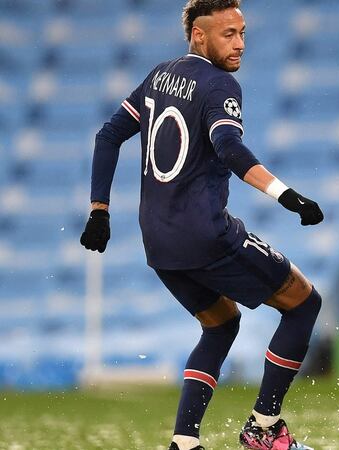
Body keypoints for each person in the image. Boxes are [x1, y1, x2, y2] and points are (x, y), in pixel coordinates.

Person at [79, 1, 322, 449]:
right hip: (208, 235)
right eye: (228, 34)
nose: (240, 44)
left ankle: (184, 442)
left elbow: (108, 135)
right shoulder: (219, 84)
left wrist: (99, 209)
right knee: (304, 303)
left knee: (221, 324)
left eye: (242, 32)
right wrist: (287, 195)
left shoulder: (158, 77)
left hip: (158, 242)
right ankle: (264, 430)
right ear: (198, 35)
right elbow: (228, 147)